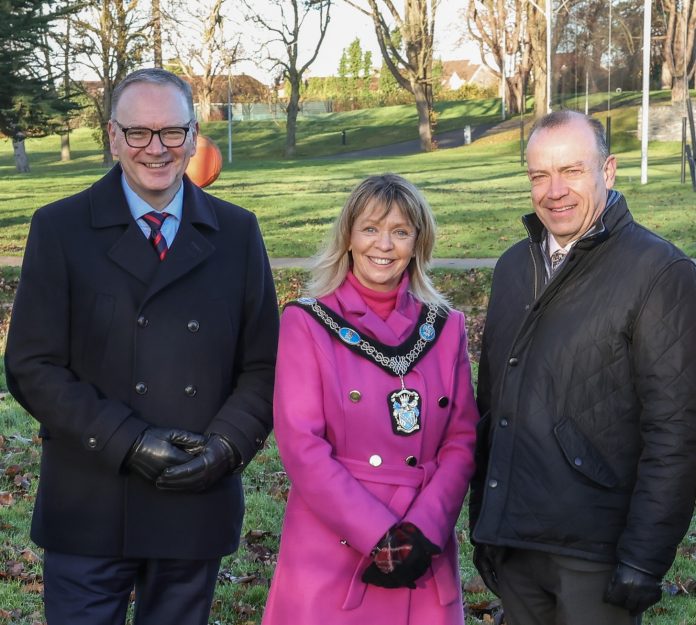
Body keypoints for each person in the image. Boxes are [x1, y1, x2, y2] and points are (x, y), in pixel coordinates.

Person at [4, 68, 278, 625]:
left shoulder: (236, 232)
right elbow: (32, 366)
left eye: (172, 132)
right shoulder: (61, 228)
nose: (156, 149)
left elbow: (265, 365)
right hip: (91, 498)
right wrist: (128, 441)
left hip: (194, 494)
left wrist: (225, 449)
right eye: (138, 133)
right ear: (112, 136)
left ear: (194, 135)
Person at [470, 110, 696, 625]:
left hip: (597, 551)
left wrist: (645, 555)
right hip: (515, 541)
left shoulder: (660, 272)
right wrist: (484, 520)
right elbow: (492, 409)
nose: (555, 191)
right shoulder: (512, 268)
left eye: (572, 170)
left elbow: (677, 431)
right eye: (539, 175)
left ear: (608, 171)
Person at [261, 173, 479, 625]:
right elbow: (302, 446)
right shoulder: (307, 323)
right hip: (335, 544)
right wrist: (377, 535)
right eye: (370, 229)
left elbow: (462, 438)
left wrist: (423, 529)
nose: (384, 244)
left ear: (418, 243)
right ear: (348, 237)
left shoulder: (446, 326)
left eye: (400, 232)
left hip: (423, 545)